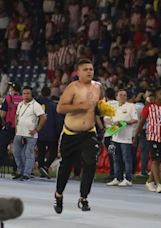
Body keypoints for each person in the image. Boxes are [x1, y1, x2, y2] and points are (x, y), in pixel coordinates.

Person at [53, 59, 102, 214]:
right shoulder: (72, 88)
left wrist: (103, 110)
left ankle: (83, 197)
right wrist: (80, 106)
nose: (89, 72)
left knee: (91, 162)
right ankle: (59, 194)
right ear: (78, 72)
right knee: (66, 167)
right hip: (70, 134)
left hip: (89, 132)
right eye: (86, 69)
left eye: (91, 69)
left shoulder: (98, 87)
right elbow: (60, 108)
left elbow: (98, 106)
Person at [134, 86, 161, 193]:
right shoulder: (149, 107)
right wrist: (136, 136)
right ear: (155, 96)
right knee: (155, 160)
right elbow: (141, 122)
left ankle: (149, 181)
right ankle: (159, 184)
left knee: (159, 161)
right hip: (152, 137)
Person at [12, 86, 47, 180]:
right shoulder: (20, 104)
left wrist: (37, 129)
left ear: (32, 94)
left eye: (28, 93)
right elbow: (17, 116)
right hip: (19, 133)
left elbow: (43, 117)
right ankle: (20, 171)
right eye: (24, 93)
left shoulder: (36, 105)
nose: (26, 95)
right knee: (16, 152)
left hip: (31, 134)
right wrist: (16, 127)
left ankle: (27, 173)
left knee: (28, 154)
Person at [106, 89, 138, 187]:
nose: (122, 97)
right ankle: (117, 177)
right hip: (115, 135)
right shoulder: (114, 107)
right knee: (116, 158)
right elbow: (107, 119)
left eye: (124, 95)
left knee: (126, 158)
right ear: (116, 97)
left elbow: (135, 119)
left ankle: (128, 178)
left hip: (126, 137)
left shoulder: (131, 106)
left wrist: (124, 123)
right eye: (120, 95)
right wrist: (112, 123)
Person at [0, 83, 22, 177]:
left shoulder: (8, 98)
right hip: (20, 128)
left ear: (12, 89)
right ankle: (16, 170)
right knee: (18, 149)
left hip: (8, 126)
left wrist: (3, 122)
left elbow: (3, 115)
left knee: (2, 147)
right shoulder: (23, 99)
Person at [37, 86, 62, 179]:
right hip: (51, 133)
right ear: (50, 93)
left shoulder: (37, 104)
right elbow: (58, 121)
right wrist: (58, 132)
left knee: (41, 152)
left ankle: (41, 168)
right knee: (53, 152)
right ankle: (45, 166)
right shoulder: (53, 105)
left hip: (39, 131)